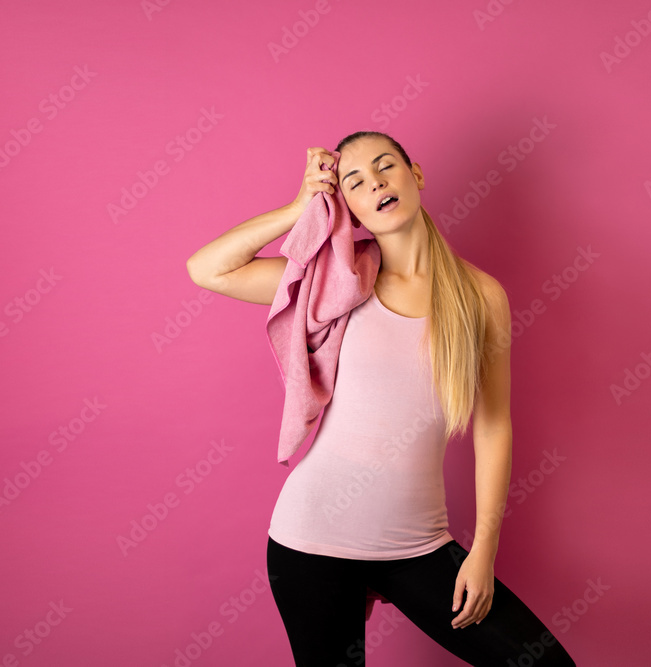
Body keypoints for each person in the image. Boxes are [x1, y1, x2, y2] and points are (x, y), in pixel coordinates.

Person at [186, 132, 576, 666]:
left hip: (418, 548)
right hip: (312, 542)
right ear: (347, 205)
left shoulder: (481, 296)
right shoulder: (337, 283)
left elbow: (492, 427)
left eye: (385, 166)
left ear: (415, 174)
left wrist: (484, 548)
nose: (376, 183)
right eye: (355, 181)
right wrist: (298, 206)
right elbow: (209, 269)